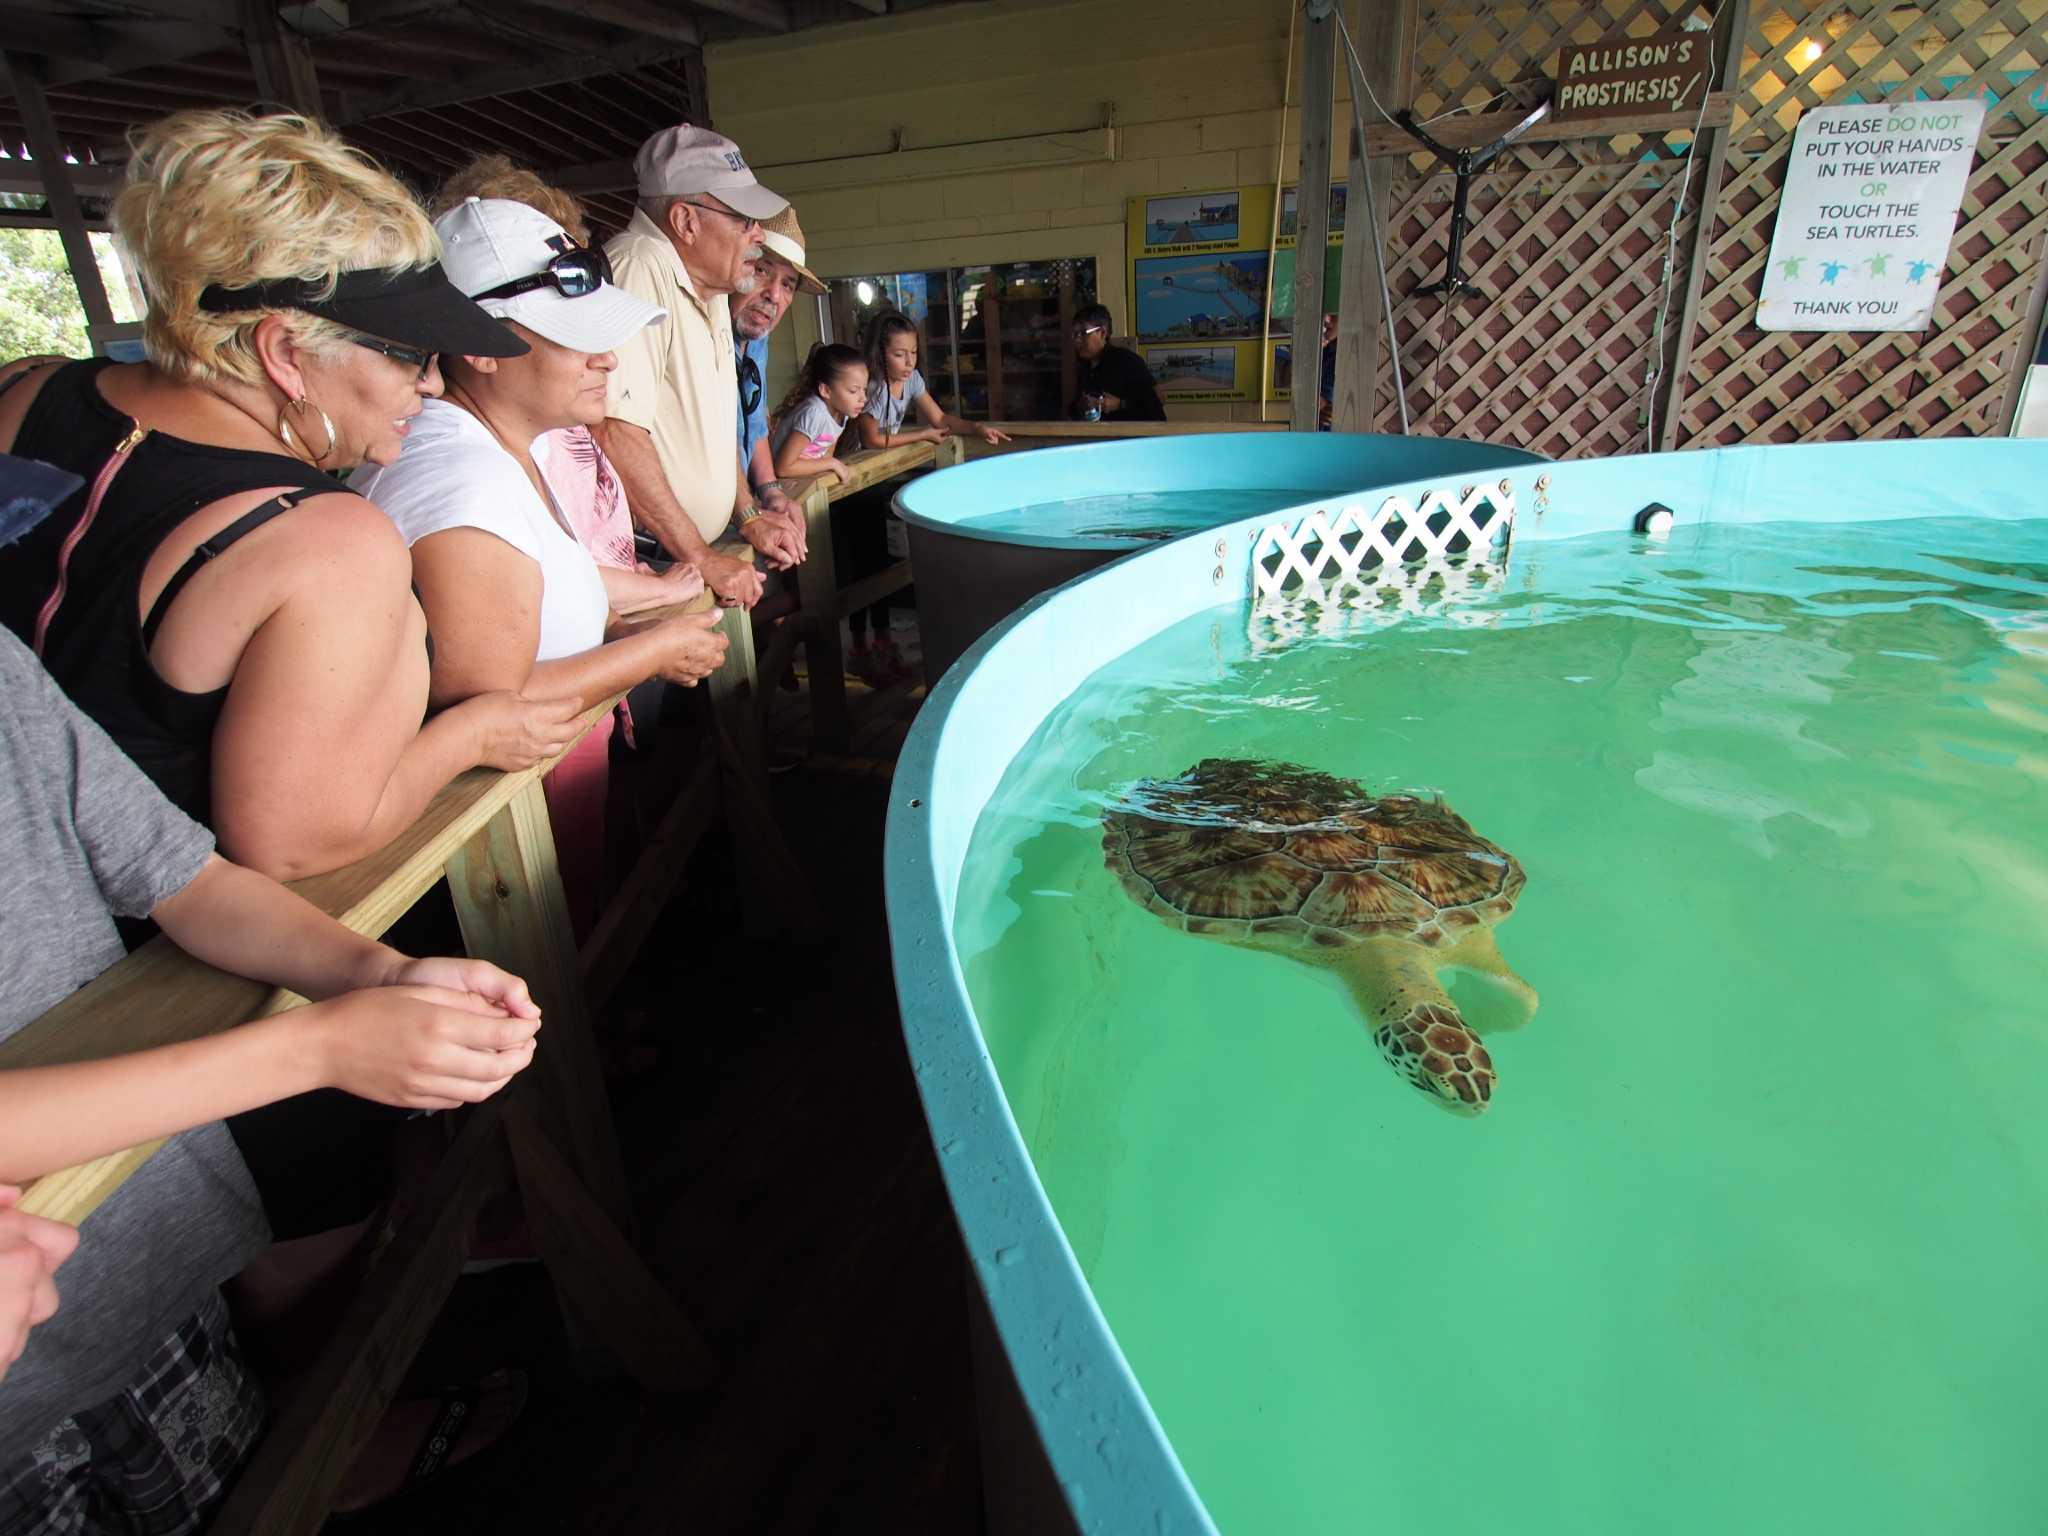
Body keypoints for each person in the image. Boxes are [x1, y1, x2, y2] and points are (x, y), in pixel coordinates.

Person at [0, 615, 542, 1529]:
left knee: (222, 1486)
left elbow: (183, 877)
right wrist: (318, 1047)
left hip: (132, 1246)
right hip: (20, 1395)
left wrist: (381, 974)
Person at [0, 110, 585, 886]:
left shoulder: (25, 387)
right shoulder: (323, 541)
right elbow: (295, 840)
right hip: (132, 963)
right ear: (283, 351)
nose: (433, 382)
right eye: (410, 354)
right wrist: (471, 734)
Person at [353, 197, 730, 940]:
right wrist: (650, 648)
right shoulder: (462, 479)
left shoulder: (506, 447)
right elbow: (489, 703)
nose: (609, 358)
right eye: (575, 338)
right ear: (478, 345)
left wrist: (619, 620)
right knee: (549, 977)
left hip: (547, 795)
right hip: (496, 839)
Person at [594, 126, 807, 609]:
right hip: (654, 560)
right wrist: (700, 556)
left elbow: (714, 428)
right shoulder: (639, 267)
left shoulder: (711, 283)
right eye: (743, 220)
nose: (757, 236)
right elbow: (614, 432)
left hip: (686, 553)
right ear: (685, 221)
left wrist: (748, 513)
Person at [736, 205, 828, 504]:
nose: (773, 295)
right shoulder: (708, 335)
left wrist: (770, 490)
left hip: (741, 503)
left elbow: (756, 426)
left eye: (787, 284)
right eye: (762, 270)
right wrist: (748, 512)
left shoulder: (758, 339)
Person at [770, 343, 868, 486]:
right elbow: (783, 468)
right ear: (826, 391)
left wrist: (830, 463)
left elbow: (826, 454)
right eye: (853, 391)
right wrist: (833, 464)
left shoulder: (842, 412)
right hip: (777, 483)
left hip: (801, 478)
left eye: (864, 390)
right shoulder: (814, 414)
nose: (863, 398)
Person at [1068, 303, 1166, 422]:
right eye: (1074, 334)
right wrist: (1081, 405)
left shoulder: (1127, 361)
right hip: (1097, 437)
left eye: (1083, 333)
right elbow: (1072, 411)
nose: (1077, 340)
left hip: (1129, 438)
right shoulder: (1084, 366)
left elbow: (1154, 408)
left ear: (1102, 333)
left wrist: (1120, 404)